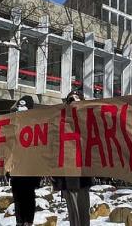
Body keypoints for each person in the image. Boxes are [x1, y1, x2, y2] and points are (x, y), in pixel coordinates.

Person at [52, 91, 92, 226]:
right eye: (70, 101)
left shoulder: (87, 121)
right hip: (66, 177)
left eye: (76, 101)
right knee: (73, 215)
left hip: (81, 176)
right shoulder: (60, 122)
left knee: (82, 214)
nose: (73, 104)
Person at [9, 95, 41, 226]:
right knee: (17, 197)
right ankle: (19, 222)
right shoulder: (12, 124)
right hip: (16, 168)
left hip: (30, 169)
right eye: (20, 107)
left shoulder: (36, 125)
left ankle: (28, 222)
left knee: (28, 196)